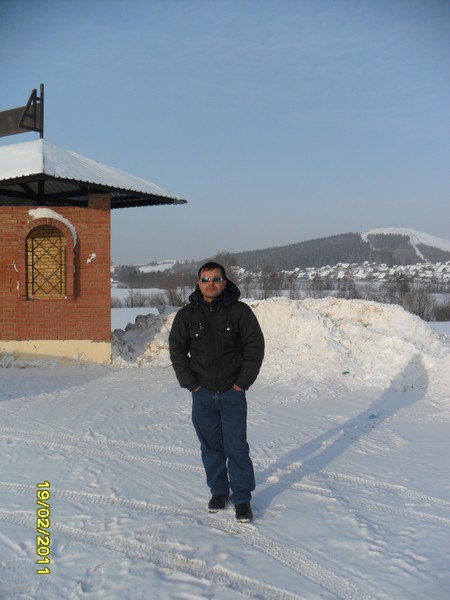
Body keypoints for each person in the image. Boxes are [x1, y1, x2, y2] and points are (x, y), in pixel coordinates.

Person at [168, 262, 265, 522]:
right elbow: (177, 349)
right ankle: (219, 491)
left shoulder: (240, 311)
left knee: (236, 447)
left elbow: (254, 347)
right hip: (202, 394)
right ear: (198, 283)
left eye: (216, 279)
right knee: (210, 447)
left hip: (233, 393)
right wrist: (191, 383)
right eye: (205, 279)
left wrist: (242, 383)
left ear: (224, 281)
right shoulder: (187, 315)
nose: (210, 283)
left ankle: (242, 498)